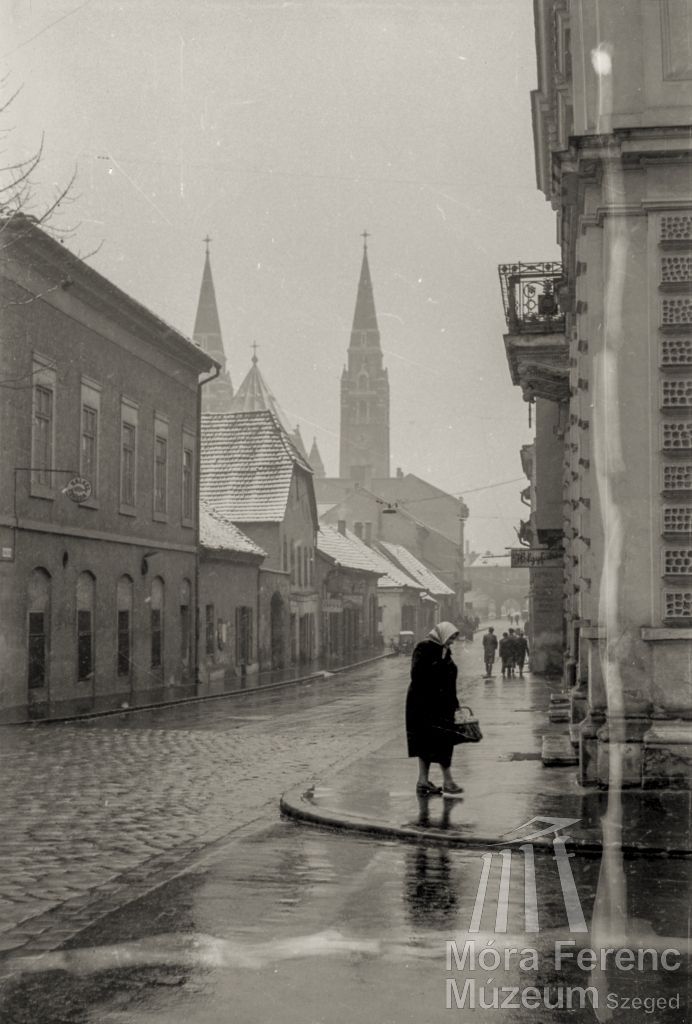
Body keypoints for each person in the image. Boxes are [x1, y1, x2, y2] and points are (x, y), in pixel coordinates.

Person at [405, 621, 463, 796]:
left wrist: (456, 706)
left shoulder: (445, 651)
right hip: (423, 705)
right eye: (451, 637)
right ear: (442, 634)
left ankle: (427, 781)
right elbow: (417, 675)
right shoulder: (423, 648)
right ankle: (444, 781)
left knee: (441, 742)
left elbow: (449, 682)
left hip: (442, 705)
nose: (452, 641)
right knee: (429, 742)